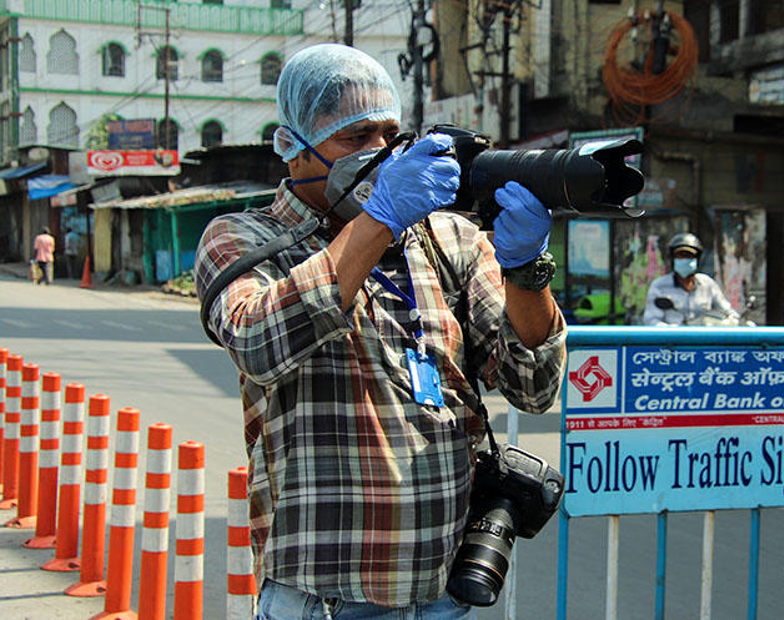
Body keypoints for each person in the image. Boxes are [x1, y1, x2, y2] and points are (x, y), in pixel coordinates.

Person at [194, 44, 566, 620]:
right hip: (327, 599)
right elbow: (257, 343)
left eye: (389, 134)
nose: (380, 153)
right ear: (293, 146)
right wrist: (379, 219)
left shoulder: (448, 239)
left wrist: (527, 272)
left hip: (441, 590)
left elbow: (535, 386)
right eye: (354, 138)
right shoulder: (240, 240)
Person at [642, 231, 738, 326]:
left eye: (689, 256)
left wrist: (734, 321)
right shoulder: (659, 286)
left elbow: (727, 311)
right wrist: (672, 331)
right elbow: (651, 320)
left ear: (697, 259)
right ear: (673, 259)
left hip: (703, 339)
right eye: (680, 256)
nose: (685, 259)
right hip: (672, 339)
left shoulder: (707, 284)